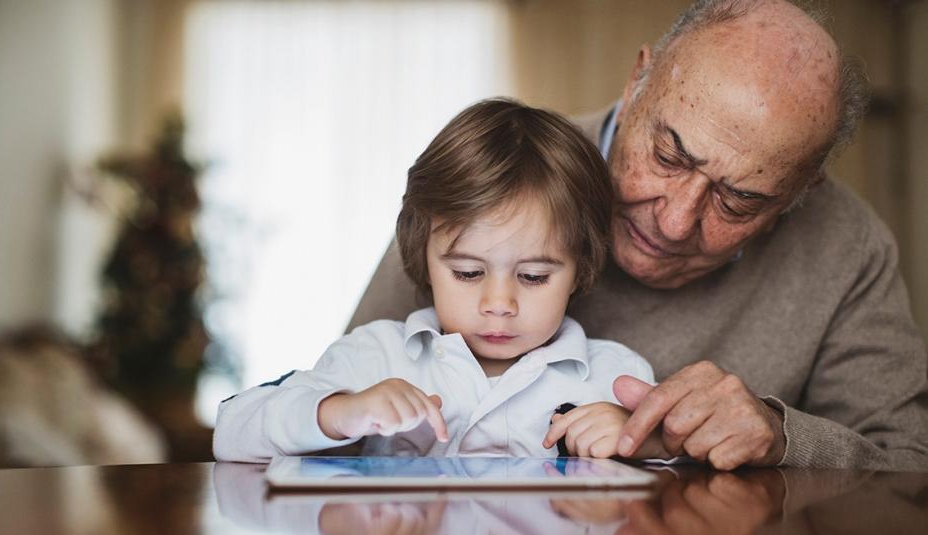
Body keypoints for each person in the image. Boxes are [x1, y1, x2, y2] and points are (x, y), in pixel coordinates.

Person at [348, 0, 928, 471]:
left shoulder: (847, 244)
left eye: (739, 200)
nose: (674, 223)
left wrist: (783, 437)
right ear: (636, 84)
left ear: (806, 185)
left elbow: (910, 467)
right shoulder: (496, 186)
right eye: (668, 155)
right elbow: (336, 418)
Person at [213, 99, 666, 462]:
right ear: (423, 259)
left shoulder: (616, 378)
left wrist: (644, 443)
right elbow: (232, 430)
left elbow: (696, 476)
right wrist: (337, 413)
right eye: (468, 272)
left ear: (581, 267)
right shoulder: (376, 356)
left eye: (532, 276)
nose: (499, 302)